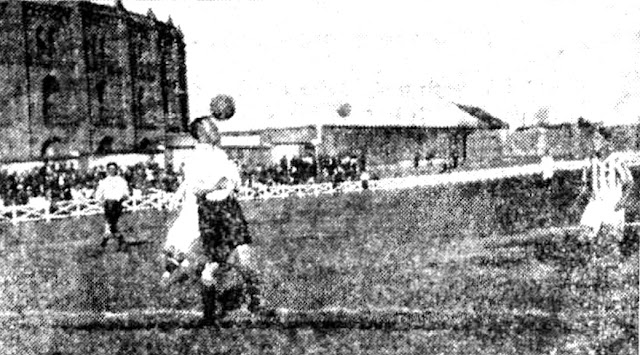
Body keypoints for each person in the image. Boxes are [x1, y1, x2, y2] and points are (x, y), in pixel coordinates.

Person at [163, 114, 263, 322]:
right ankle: (209, 315)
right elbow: (197, 189)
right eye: (211, 127)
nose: (216, 129)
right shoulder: (194, 159)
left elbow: (234, 180)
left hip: (229, 210)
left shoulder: (220, 154)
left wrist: (230, 183)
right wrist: (216, 185)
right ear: (200, 133)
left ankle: (255, 302)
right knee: (211, 268)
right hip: (209, 212)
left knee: (244, 258)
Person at [95, 162, 129, 251]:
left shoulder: (121, 181)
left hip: (117, 205)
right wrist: (101, 202)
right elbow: (98, 195)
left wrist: (121, 199)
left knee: (111, 225)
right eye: (110, 169)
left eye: (113, 169)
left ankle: (103, 245)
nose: (111, 171)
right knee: (111, 225)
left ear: (116, 170)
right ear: (107, 170)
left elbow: (126, 194)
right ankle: (121, 243)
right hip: (108, 205)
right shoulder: (103, 182)